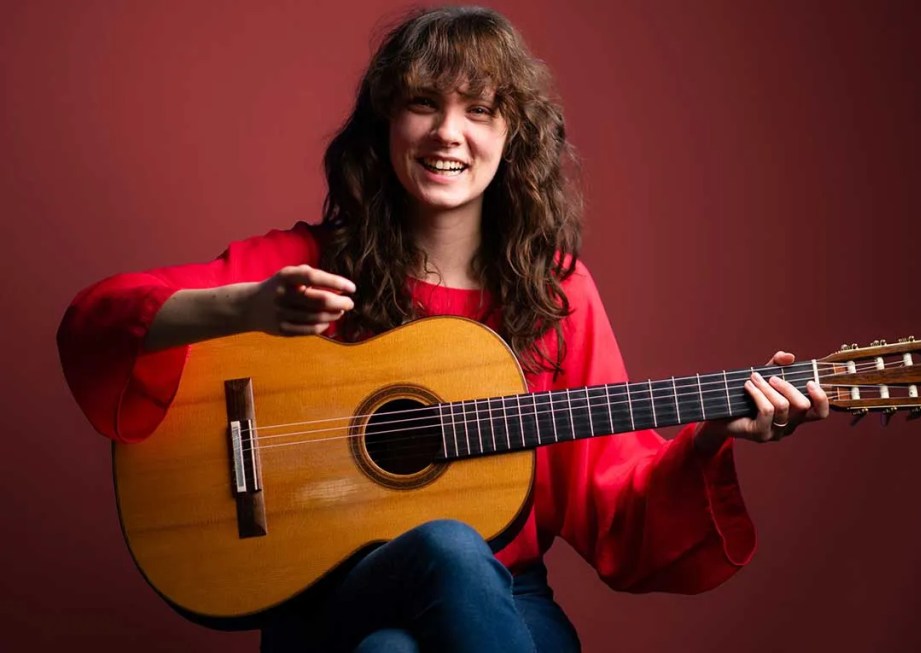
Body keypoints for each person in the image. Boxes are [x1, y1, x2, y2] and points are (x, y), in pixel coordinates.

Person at [56, 6, 829, 653]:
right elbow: (98, 320)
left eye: (479, 109)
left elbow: (615, 498)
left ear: (513, 135)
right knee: (446, 543)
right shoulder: (306, 264)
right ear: (388, 122)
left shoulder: (558, 293)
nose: (446, 133)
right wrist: (244, 308)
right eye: (423, 103)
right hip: (318, 598)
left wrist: (704, 439)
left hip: (499, 598)